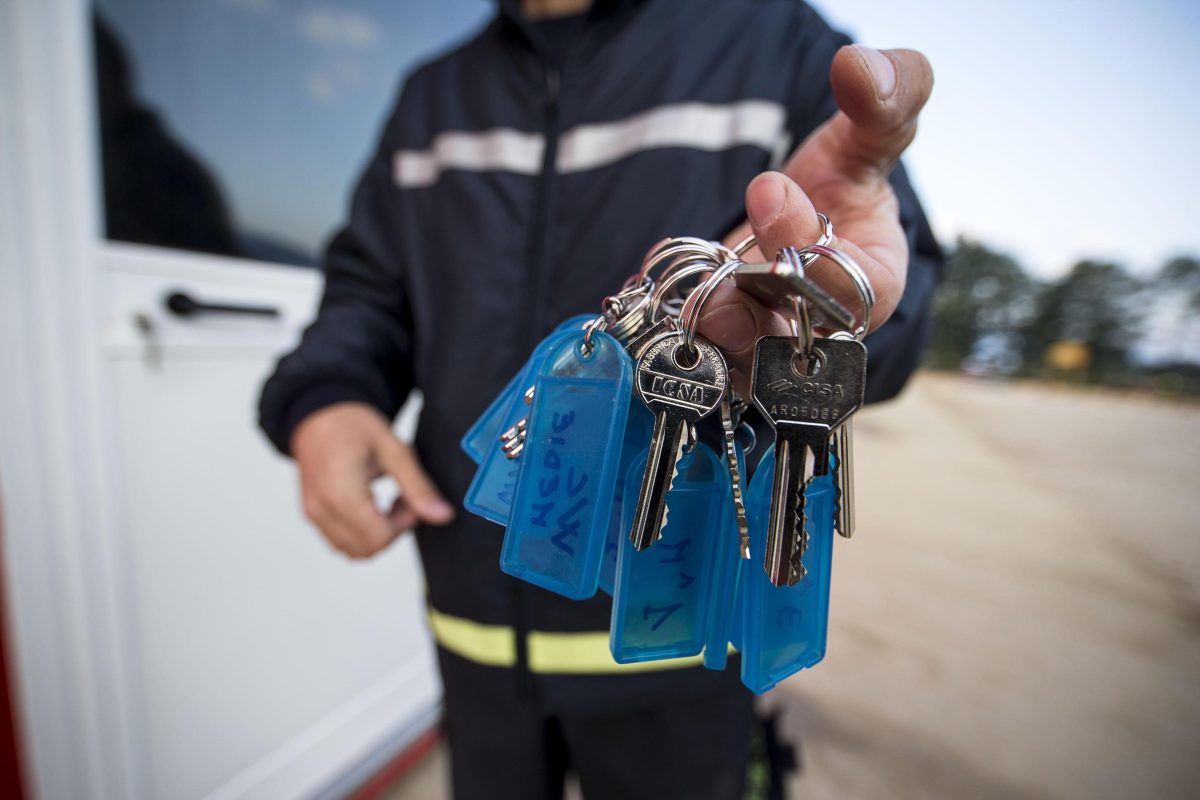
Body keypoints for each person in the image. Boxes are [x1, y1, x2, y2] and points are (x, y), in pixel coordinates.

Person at [259, 0, 940, 797]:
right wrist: (328, 396)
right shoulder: (430, 95)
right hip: (472, 634)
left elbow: (900, 291)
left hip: (682, 641)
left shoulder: (775, 41)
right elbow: (368, 289)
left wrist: (822, 317)